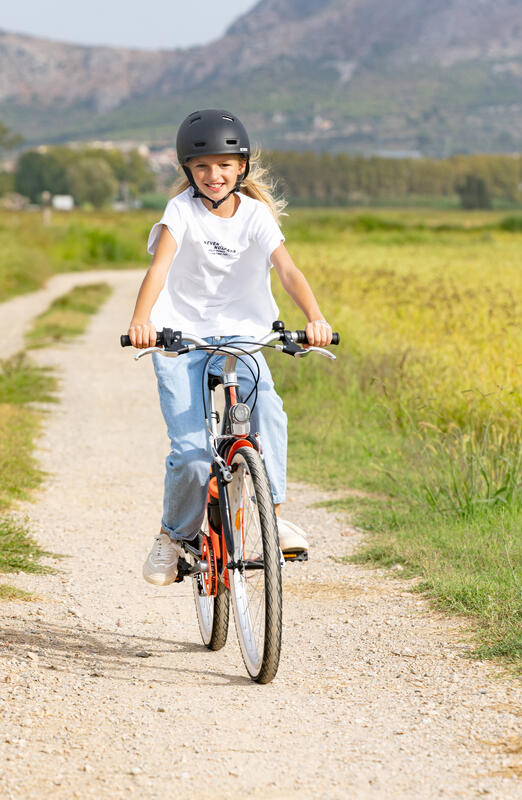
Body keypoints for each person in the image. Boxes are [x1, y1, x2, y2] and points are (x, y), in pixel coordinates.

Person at [127, 109, 333, 586]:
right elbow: (159, 269)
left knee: (271, 414)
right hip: (182, 339)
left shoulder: (256, 215)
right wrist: (142, 321)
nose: (213, 176)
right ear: (188, 172)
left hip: (242, 337)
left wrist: (315, 319)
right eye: (202, 167)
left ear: (241, 167)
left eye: (223, 165)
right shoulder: (181, 210)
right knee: (193, 454)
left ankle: (272, 515)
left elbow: (288, 270)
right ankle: (173, 537)